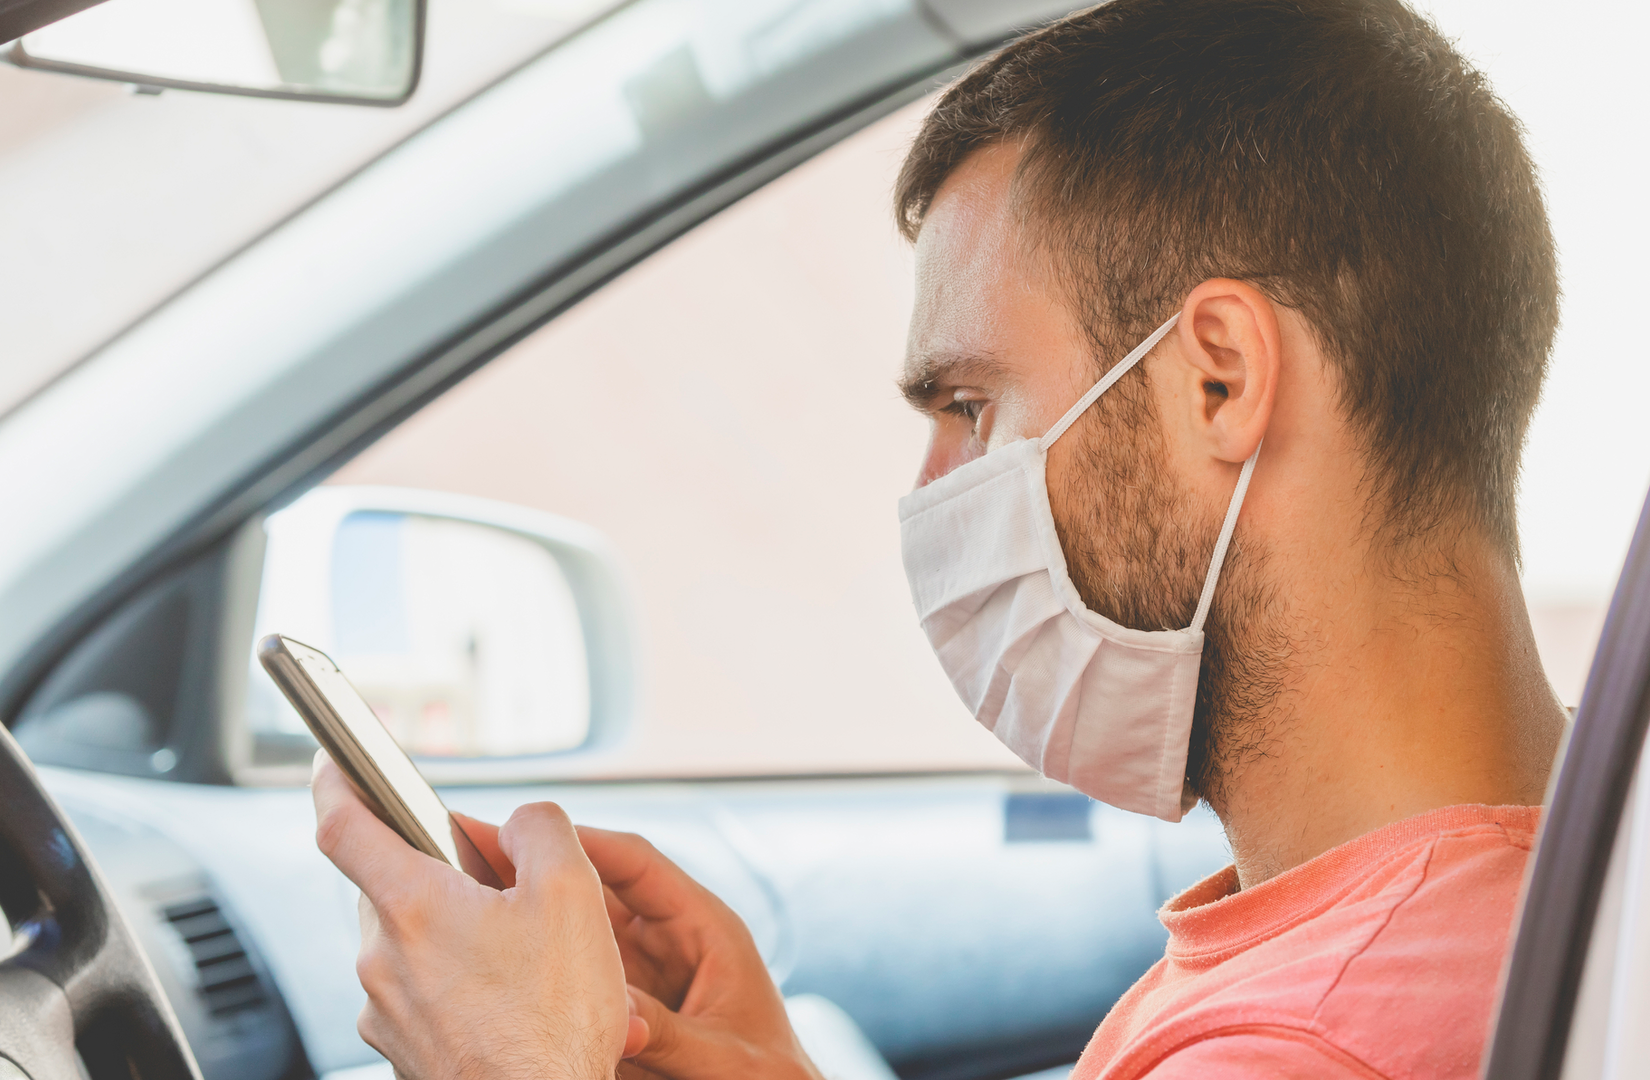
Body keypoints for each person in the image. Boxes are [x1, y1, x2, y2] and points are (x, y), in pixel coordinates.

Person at [310, 0, 1569, 1076]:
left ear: (1220, 383)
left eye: (972, 405)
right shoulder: (1505, 901)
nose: (934, 487)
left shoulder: (1313, 1040)